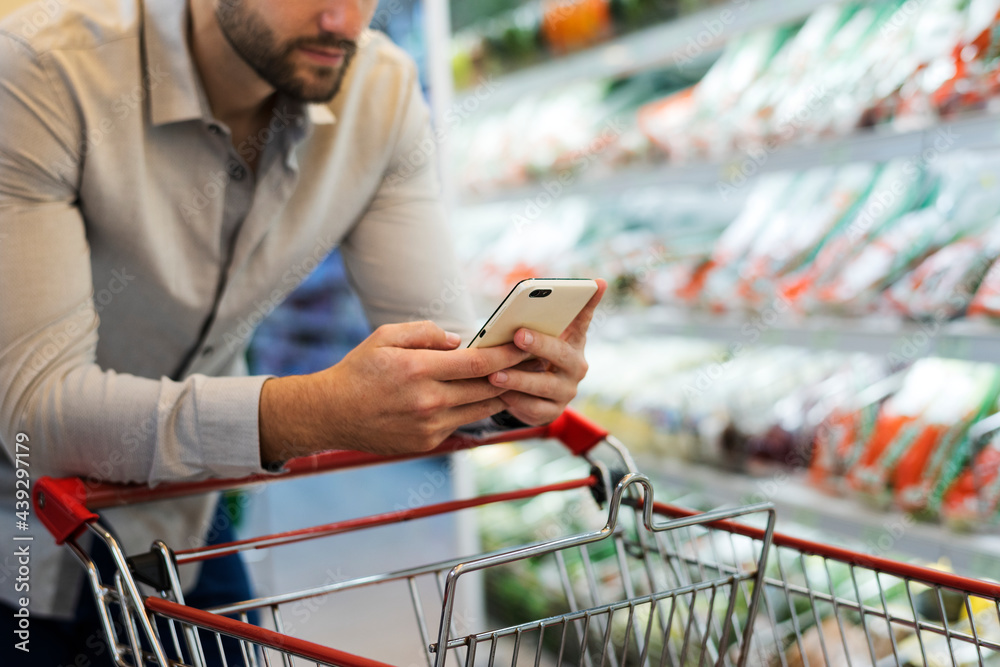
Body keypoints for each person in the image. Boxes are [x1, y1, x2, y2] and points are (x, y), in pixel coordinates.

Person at [0, 0, 606, 663]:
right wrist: (313, 412)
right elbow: (38, 416)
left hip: (182, 514)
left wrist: (501, 386)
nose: (343, 17)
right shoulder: (41, 71)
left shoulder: (379, 91)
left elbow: (443, 340)